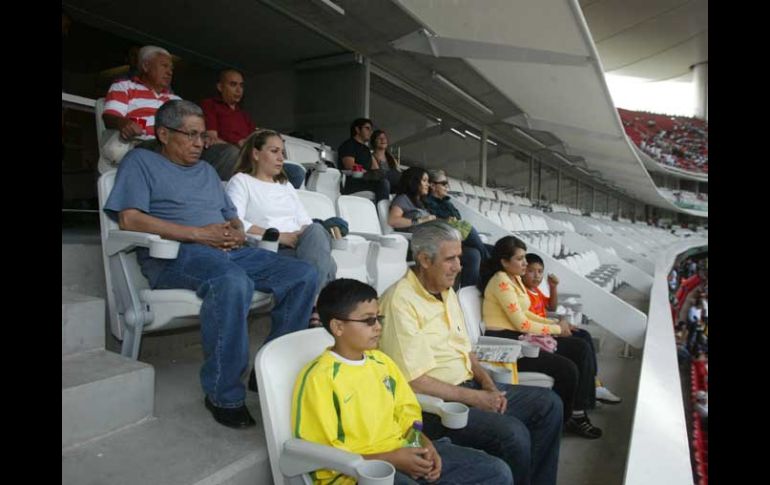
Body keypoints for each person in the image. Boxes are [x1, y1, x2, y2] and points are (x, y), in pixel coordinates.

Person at [103, 100, 319, 429]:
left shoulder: (205, 170)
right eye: (191, 135)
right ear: (163, 133)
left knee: (303, 274)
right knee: (233, 282)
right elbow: (129, 218)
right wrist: (198, 235)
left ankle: (267, 369)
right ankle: (222, 392)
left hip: (227, 251)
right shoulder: (140, 162)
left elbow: (232, 217)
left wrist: (234, 232)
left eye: (203, 136)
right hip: (177, 255)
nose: (200, 144)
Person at [379, 221, 563, 485]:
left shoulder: (446, 291)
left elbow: (467, 351)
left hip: (472, 387)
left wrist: (489, 386)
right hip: (437, 407)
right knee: (513, 434)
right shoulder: (400, 303)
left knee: (549, 404)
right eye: (450, 259)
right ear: (423, 259)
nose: (459, 266)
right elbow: (414, 381)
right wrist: (476, 398)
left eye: (460, 258)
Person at [292, 279, 512, 485]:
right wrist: (393, 459)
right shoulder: (320, 378)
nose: (378, 326)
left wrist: (424, 444)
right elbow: (323, 454)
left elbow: (408, 414)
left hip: (403, 451)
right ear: (338, 327)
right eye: (368, 320)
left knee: (496, 471)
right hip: (358, 473)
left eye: (379, 318)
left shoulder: (381, 362)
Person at [479, 236, 602, 439]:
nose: (525, 264)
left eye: (524, 258)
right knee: (567, 369)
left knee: (580, 347)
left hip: (520, 337)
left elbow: (527, 315)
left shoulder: (515, 279)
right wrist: (556, 330)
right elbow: (521, 323)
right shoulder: (501, 282)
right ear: (504, 262)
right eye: (520, 259)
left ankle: (578, 412)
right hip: (506, 345)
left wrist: (556, 325)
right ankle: (562, 422)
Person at [225, 129, 336, 300]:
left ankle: (312, 303)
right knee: (328, 264)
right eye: (274, 151)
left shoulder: (285, 185)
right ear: (255, 153)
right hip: (266, 249)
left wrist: (301, 235)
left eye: (282, 152)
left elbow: (304, 221)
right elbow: (235, 223)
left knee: (316, 230)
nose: (281, 158)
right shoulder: (241, 181)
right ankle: (316, 305)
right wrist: (280, 237)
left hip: (296, 246)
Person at [522, 253, 621, 405]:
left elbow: (551, 306)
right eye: (531, 271)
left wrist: (553, 287)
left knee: (585, 335)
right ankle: (587, 395)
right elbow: (529, 321)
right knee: (580, 346)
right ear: (522, 271)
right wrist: (558, 324)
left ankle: (594, 384)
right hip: (540, 335)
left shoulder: (536, 291)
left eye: (540, 271)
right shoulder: (522, 293)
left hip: (549, 328)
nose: (536, 275)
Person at [199, 69, 305, 187]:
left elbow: (255, 141)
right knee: (233, 153)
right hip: (230, 156)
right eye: (233, 85)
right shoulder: (210, 104)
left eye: (241, 86)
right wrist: (240, 145)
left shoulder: (243, 115)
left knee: (296, 172)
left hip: (250, 157)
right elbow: (212, 139)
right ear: (220, 87)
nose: (238, 90)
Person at [101, 45, 181, 167]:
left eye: (171, 68)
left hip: (173, 151)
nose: (169, 72)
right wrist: (123, 123)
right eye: (164, 66)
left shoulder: (176, 100)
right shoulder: (125, 87)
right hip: (140, 146)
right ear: (146, 66)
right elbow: (110, 117)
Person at [425, 169, 492, 288]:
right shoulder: (426, 202)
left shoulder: (447, 203)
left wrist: (452, 221)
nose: (447, 187)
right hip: (442, 240)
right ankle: (489, 266)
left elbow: (457, 217)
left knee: (485, 251)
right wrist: (449, 220)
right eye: (444, 184)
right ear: (433, 186)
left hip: (456, 237)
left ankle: (472, 291)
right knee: (470, 236)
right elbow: (434, 222)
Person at [337, 118, 390, 201]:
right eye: (367, 128)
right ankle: (383, 212)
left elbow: (376, 169)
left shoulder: (366, 149)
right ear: (357, 129)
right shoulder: (349, 145)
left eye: (371, 129)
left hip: (367, 181)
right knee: (383, 183)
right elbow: (350, 166)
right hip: (354, 182)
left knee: (395, 184)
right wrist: (368, 173)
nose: (371, 132)